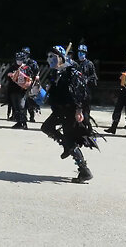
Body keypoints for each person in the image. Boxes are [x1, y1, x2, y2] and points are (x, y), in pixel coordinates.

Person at [41, 45, 99, 183]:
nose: (49, 59)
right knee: (46, 127)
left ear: (60, 57)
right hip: (60, 110)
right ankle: (67, 147)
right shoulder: (56, 73)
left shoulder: (71, 71)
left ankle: (84, 170)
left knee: (69, 139)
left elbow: (81, 92)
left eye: (52, 56)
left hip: (71, 111)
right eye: (48, 57)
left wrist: (79, 109)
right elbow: (55, 93)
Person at [6, 51, 33, 129]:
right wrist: (9, 75)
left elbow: (30, 77)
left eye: (20, 59)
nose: (19, 61)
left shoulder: (26, 68)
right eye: (17, 59)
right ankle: (18, 122)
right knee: (15, 107)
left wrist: (27, 80)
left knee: (22, 106)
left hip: (22, 91)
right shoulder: (12, 67)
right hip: (13, 89)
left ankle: (24, 122)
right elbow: (7, 76)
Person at [22, 46, 41, 122]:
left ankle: (32, 116)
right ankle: (23, 116)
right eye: (23, 53)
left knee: (30, 100)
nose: (24, 55)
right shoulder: (20, 62)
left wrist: (36, 77)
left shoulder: (32, 62)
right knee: (22, 100)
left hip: (30, 82)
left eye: (25, 53)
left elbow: (37, 71)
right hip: (22, 83)